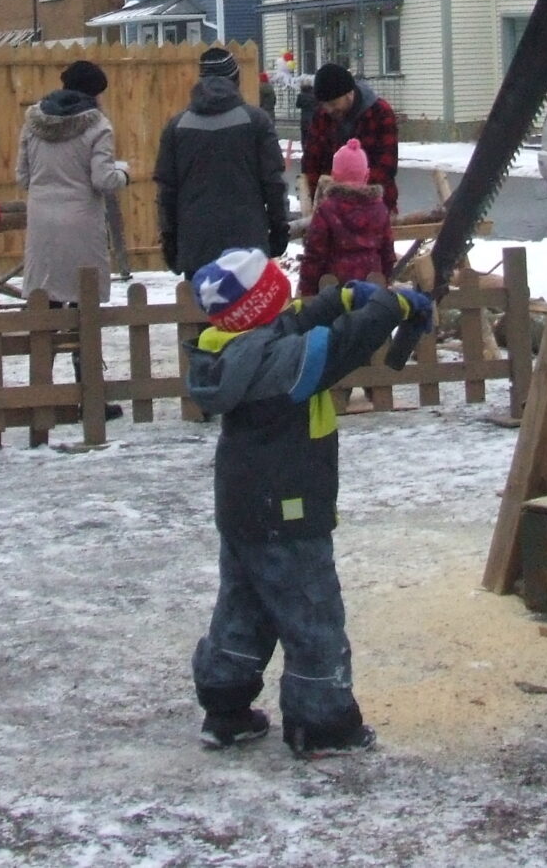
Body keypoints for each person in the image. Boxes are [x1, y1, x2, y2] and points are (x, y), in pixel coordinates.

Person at [185, 248, 427, 757]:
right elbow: (340, 345)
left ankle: (225, 709)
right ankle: (322, 723)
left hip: (243, 509)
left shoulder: (233, 350)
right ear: (262, 305)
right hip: (288, 509)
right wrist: (390, 307)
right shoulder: (283, 363)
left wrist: (340, 299)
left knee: (243, 609)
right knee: (311, 613)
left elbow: (292, 322)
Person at [157, 47, 290, 279]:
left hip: (196, 242)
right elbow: (273, 182)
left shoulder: (177, 126)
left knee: (201, 300)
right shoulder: (257, 121)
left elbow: (167, 190)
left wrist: (169, 239)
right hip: (248, 243)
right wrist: (279, 229)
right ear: (236, 79)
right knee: (248, 302)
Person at [17, 59, 127, 302]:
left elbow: (23, 177)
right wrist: (123, 174)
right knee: (83, 293)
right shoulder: (98, 125)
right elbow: (103, 180)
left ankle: (48, 327)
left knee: (45, 293)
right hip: (82, 217)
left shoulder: (33, 123)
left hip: (41, 218)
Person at [303, 63, 400, 218]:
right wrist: (315, 198)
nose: (329, 110)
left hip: (375, 207)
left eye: (333, 104)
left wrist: (348, 193)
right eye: (324, 105)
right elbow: (312, 160)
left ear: (349, 93)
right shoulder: (322, 116)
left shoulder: (380, 113)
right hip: (331, 209)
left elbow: (386, 167)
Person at [298, 143, 394, 295]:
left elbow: (314, 255)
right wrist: (385, 279)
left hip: (333, 290)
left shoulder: (327, 209)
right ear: (367, 175)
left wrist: (307, 290)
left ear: (334, 176)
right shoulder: (379, 209)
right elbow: (387, 253)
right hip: (371, 289)